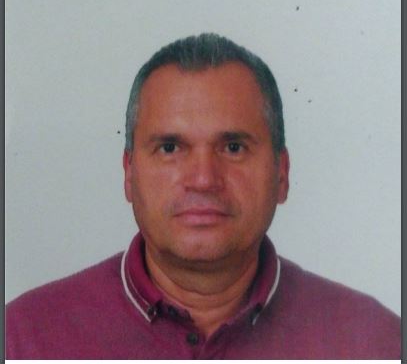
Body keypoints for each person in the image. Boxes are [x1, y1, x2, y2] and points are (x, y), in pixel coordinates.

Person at [6, 34, 400, 359]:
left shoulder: (374, 342)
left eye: (233, 147)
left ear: (281, 174)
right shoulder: (23, 339)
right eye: (170, 148)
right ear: (129, 173)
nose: (203, 179)